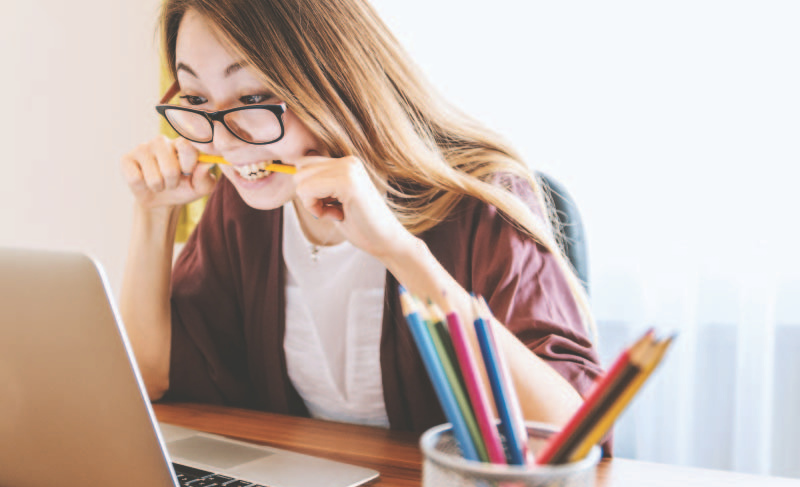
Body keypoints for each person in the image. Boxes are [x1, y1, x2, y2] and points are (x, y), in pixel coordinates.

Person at [119, 0, 605, 440]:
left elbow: (570, 436)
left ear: (332, 81)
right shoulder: (245, 207)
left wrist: (399, 250)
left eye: (252, 98)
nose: (223, 142)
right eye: (198, 100)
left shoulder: (481, 200)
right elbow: (148, 378)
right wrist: (154, 215)